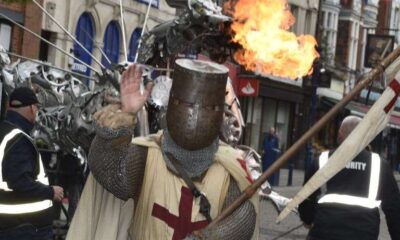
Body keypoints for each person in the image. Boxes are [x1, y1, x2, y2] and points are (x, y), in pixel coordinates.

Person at [67, 60, 258, 240]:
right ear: (172, 103)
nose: (194, 115)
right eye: (187, 104)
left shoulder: (229, 169)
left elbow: (242, 219)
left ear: (219, 113)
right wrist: (125, 114)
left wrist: (209, 237)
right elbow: (109, 172)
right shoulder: (146, 155)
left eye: (208, 107)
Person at [298, 115, 400, 240]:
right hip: (363, 234)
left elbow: (305, 198)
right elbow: (394, 209)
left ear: (340, 135)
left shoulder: (321, 161)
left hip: (324, 233)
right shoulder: (379, 165)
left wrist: (307, 219)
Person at [0, 87, 64, 240]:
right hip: (23, 228)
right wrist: (50, 192)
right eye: (36, 107)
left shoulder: (5, 132)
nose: (37, 112)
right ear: (30, 108)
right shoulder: (18, 139)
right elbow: (18, 180)